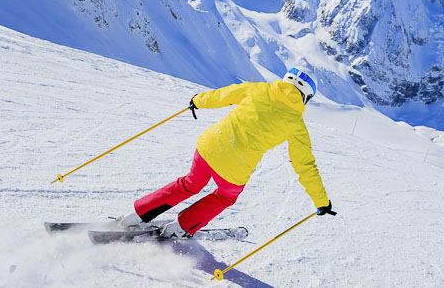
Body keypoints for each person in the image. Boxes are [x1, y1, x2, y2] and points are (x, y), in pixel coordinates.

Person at [120, 66, 336, 238]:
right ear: (306, 97)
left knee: (190, 183)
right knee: (225, 197)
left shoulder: (258, 88)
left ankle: (137, 214)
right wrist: (321, 202)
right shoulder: (296, 124)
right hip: (235, 169)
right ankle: (181, 227)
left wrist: (197, 101)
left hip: (209, 147)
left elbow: (223, 95)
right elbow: (305, 166)